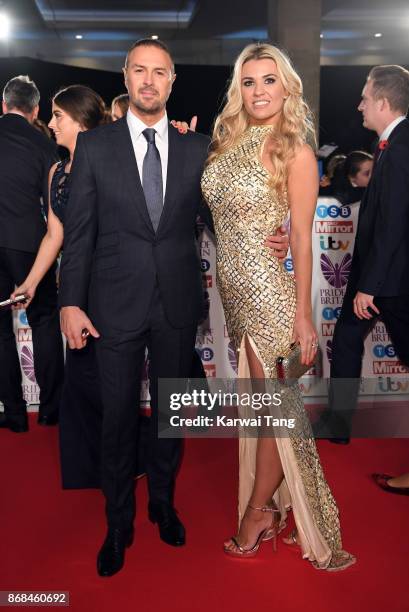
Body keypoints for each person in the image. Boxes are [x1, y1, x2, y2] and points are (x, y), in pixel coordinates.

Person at [57, 38, 217, 578]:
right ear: (125, 76)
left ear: (172, 82)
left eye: (160, 73)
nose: (149, 81)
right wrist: (70, 303)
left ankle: (163, 504)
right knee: (118, 419)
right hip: (112, 303)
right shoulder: (95, 147)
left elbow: (225, 220)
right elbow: (78, 235)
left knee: (171, 416)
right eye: (140, 71)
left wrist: (277, 240)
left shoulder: (197, 148)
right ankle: (117, 522)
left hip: (174, 300)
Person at [201, 43, 355, 570]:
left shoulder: (297, 151)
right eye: (249, 82)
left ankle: (258, 512)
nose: (259, 91)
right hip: (235, 293)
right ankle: (268, 504)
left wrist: (304, 314)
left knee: (274, 410)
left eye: (269, 81)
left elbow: (303, 236)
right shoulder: (227, 141)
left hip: (271, 294)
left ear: (287, 87)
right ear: (237, 90)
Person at [12, 85, 109, 488]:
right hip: (75, 286)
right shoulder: (56, 170)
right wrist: (30, 283)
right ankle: (90, 468)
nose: (49, 123)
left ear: (81, 121)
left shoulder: (110, 161)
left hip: (111, 283)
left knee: (109, 378)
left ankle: (118, 460)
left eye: (58, 116)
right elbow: (55, 234)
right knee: (83, 377)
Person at [324, 65, 409, 445]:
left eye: (365, 97)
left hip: (392, 281)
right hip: (377, 277)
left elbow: (395, 223)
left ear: (384, 103)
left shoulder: (403, 146)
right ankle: (338, 424)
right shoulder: (390, 143)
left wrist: (370, 287)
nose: (359, 106)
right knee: (345, 338)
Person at [0, 75, 64, 432]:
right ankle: (51, 409)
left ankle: (12, 412)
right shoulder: (44, 145)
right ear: (36, 109)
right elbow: (55, 205)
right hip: (30, 246)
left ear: (4, 104)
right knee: (43, 321)